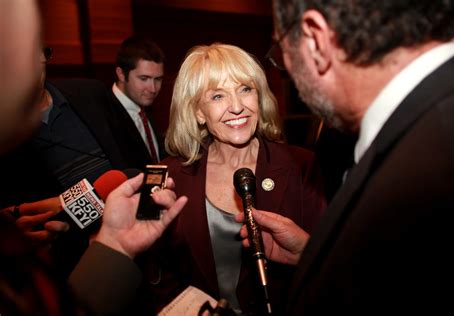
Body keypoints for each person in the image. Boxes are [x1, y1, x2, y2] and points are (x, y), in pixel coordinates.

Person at [237, 0, 454, 314]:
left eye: (282, 51)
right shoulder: (433, 117)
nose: (288, 71)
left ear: (315, 39)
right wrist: (312, 255)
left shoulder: (439, 153)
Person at [0, 2, 188, 315]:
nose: (152, 88)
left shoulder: (90, 94)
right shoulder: (9, 141)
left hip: (131, 258)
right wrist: (66, 214)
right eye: (144, 79)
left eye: (36, 51)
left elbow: (141, 168)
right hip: (69, 274)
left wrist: (151, 224)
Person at [140, 43, 326, 315]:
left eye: (245, 89)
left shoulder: (301, 165)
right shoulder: (161, 176)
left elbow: (331, 266)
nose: (237, 107)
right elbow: (154, 274)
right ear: (198, 112)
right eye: (217, 96)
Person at [108, 36, 167, 166]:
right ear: (121, 74)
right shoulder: (103, 115)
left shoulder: (147, 108)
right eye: (144, 78)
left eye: (158, 79)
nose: (153, 89)